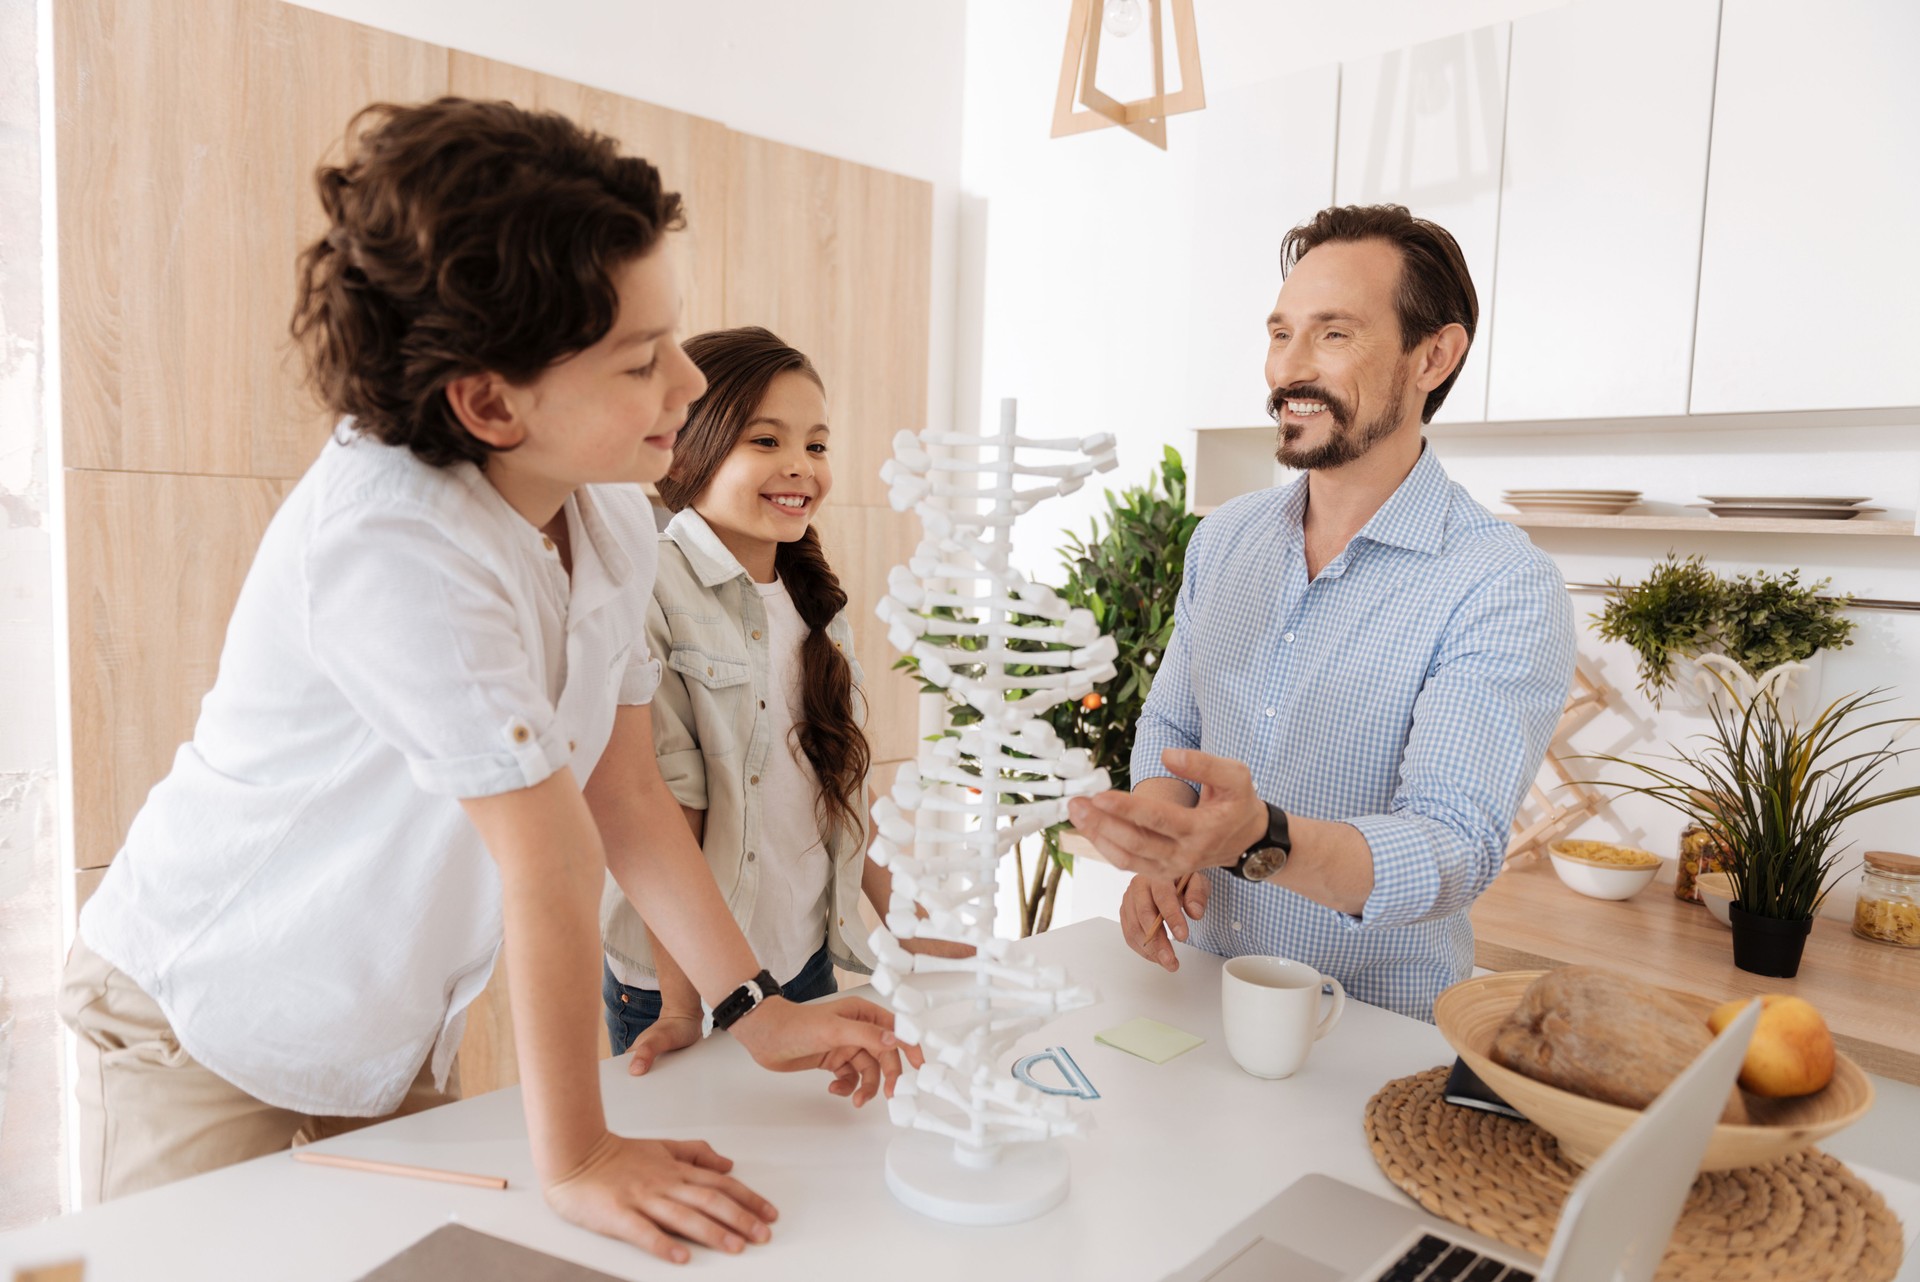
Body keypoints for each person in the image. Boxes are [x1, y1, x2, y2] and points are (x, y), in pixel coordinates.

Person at [59, 98, 911, 1265]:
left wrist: (754, 1009)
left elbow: (623, 798)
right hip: (202, 1014)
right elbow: (549, 853)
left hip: (384, 1020)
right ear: (491, 401)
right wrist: (580, 1156)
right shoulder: (396, 542)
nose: (684, 386)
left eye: (676, 339)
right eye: (641, 359)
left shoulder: (607, 515)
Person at [1067, 204, 1576, 1023]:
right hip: (1198, 992)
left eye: (1333, 335)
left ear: (1433, 357)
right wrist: (1166, 840)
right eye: (1280, 334)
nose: (1288, 371)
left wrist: (1255, 838)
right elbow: (1170, 726)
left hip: (1369, 1030)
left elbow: (1451, 849)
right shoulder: (1225, 539)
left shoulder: (1500, 583)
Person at [602, 326, 967, 1076]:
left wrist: (913, 929)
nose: (801, 467)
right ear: (689, 444)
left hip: (803, 964)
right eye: (765, 441)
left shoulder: (813, 600)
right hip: (695, 987)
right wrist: (684, 1006)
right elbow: (665, 813)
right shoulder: (648, 586)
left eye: (818, 445)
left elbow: (840, 788)